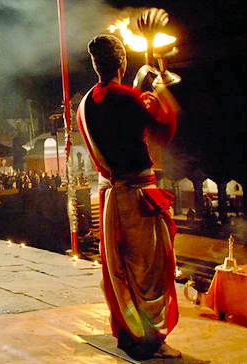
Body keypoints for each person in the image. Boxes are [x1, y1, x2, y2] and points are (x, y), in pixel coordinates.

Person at [76, 34, 180, 359]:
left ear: (96, 65)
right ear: (121, 63)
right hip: (136, 199)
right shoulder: (126, 97)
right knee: (149, 273)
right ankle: (149, 338)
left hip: (109, 196)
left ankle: (129, 333)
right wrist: (160, 91)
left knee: (118, 273)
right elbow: (162, 131)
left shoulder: (86, 103)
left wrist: (142, 99)